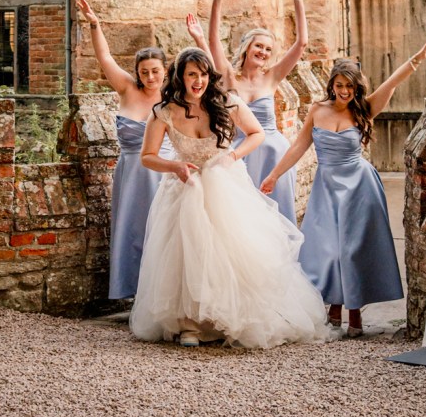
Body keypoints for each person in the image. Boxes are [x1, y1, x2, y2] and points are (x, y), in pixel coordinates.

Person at [129, 47, 329, 348]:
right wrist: (175, 166)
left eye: (203, 74)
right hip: (184, 187)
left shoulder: (227, 102)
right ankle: (190, 325)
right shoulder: (163, 112)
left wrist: (233, 155)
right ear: (180, 78)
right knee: (186, 254)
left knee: (232, 252)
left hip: (224, 183)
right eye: (192, 75)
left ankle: (230, 319)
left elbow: (256, 133)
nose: (198, 81)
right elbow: (147, 156)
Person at [261, 37, 426, 337]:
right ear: (332, 86)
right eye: (339, 86)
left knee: (354, 249)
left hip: (359, 185)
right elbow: (299, 147)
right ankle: (333, 309)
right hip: (327, 187)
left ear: (356, 89)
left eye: (349, 87)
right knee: (328, 248)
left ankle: (354, 313)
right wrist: (274, 175)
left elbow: (391, 84)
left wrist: (416, 60)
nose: (344, 92)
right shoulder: (317, 110)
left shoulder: (363, 110)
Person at [77, 0, 177, 301]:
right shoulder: (126, 89)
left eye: (155, 71)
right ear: (137, 72)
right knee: (132, 229)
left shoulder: (174, 98)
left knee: (164, 229)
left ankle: (164, 292)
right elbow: (104, 56)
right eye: (144, 71)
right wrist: (94, 24)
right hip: (131, 172)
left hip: (162, 173)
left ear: (165, 70)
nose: (150, 77)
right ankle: (133, 293)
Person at [207, 0, 307, 224]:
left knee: (278, 212)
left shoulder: (272, 76)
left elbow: (301, 44)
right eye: (258, 46)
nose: (263, 52)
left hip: (274, 151)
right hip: (241, 151)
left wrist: (298, 2)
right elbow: (213, 40)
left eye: (267, 49)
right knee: (244, 217)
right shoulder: (229, 76)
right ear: (247, 47)